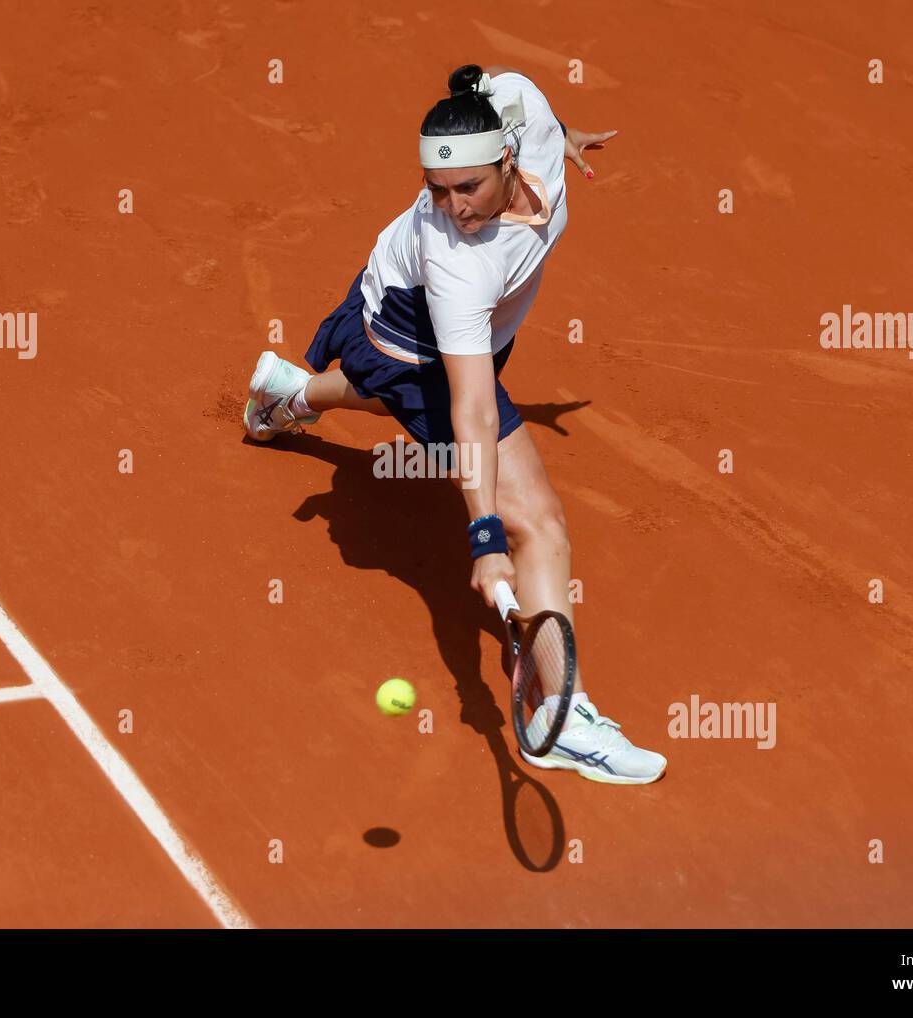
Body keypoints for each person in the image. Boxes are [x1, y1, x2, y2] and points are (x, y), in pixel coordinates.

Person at [243, 64, 666, 785]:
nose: (452, 206)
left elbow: (518, 95)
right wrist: (486, 537)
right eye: (436, 190)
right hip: (417, 343)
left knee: (385, 398)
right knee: (539, 522)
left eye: (466, 187)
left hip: (440, 323)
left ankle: (292, 394)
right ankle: (557, 716)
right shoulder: (456, 262)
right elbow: (468, 407)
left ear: (509, 157)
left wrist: (562, 135)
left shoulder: (521, 109)